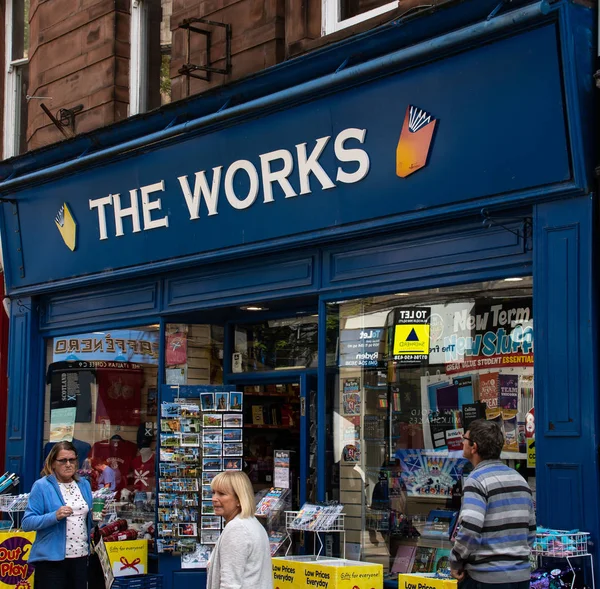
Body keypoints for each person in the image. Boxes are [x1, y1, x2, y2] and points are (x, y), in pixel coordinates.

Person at [450, 419, 536, 589]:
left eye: (465, 439)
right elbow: (531, 530)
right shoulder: (518, 479)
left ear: (473, 447)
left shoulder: (476, 480)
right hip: (520, 577)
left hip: (485, 578)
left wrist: (456, 560)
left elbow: (470, 529)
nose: (462, 443)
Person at [22, 440, 93, 589]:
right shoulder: (42, 486)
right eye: (63, 460)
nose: (68, 464)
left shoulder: (84, 484)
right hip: (52, 560)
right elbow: (27, 523)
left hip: (80, 556)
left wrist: (96, 517)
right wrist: (55, 516)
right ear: (53, 463)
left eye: (72, 460)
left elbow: (84, 520)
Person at [207, 471, 272, 589]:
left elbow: (230, 584)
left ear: (239, 499)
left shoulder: (237, 529)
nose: (214, 498)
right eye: (213, 492)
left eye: (222, 494)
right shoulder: (252, 524)